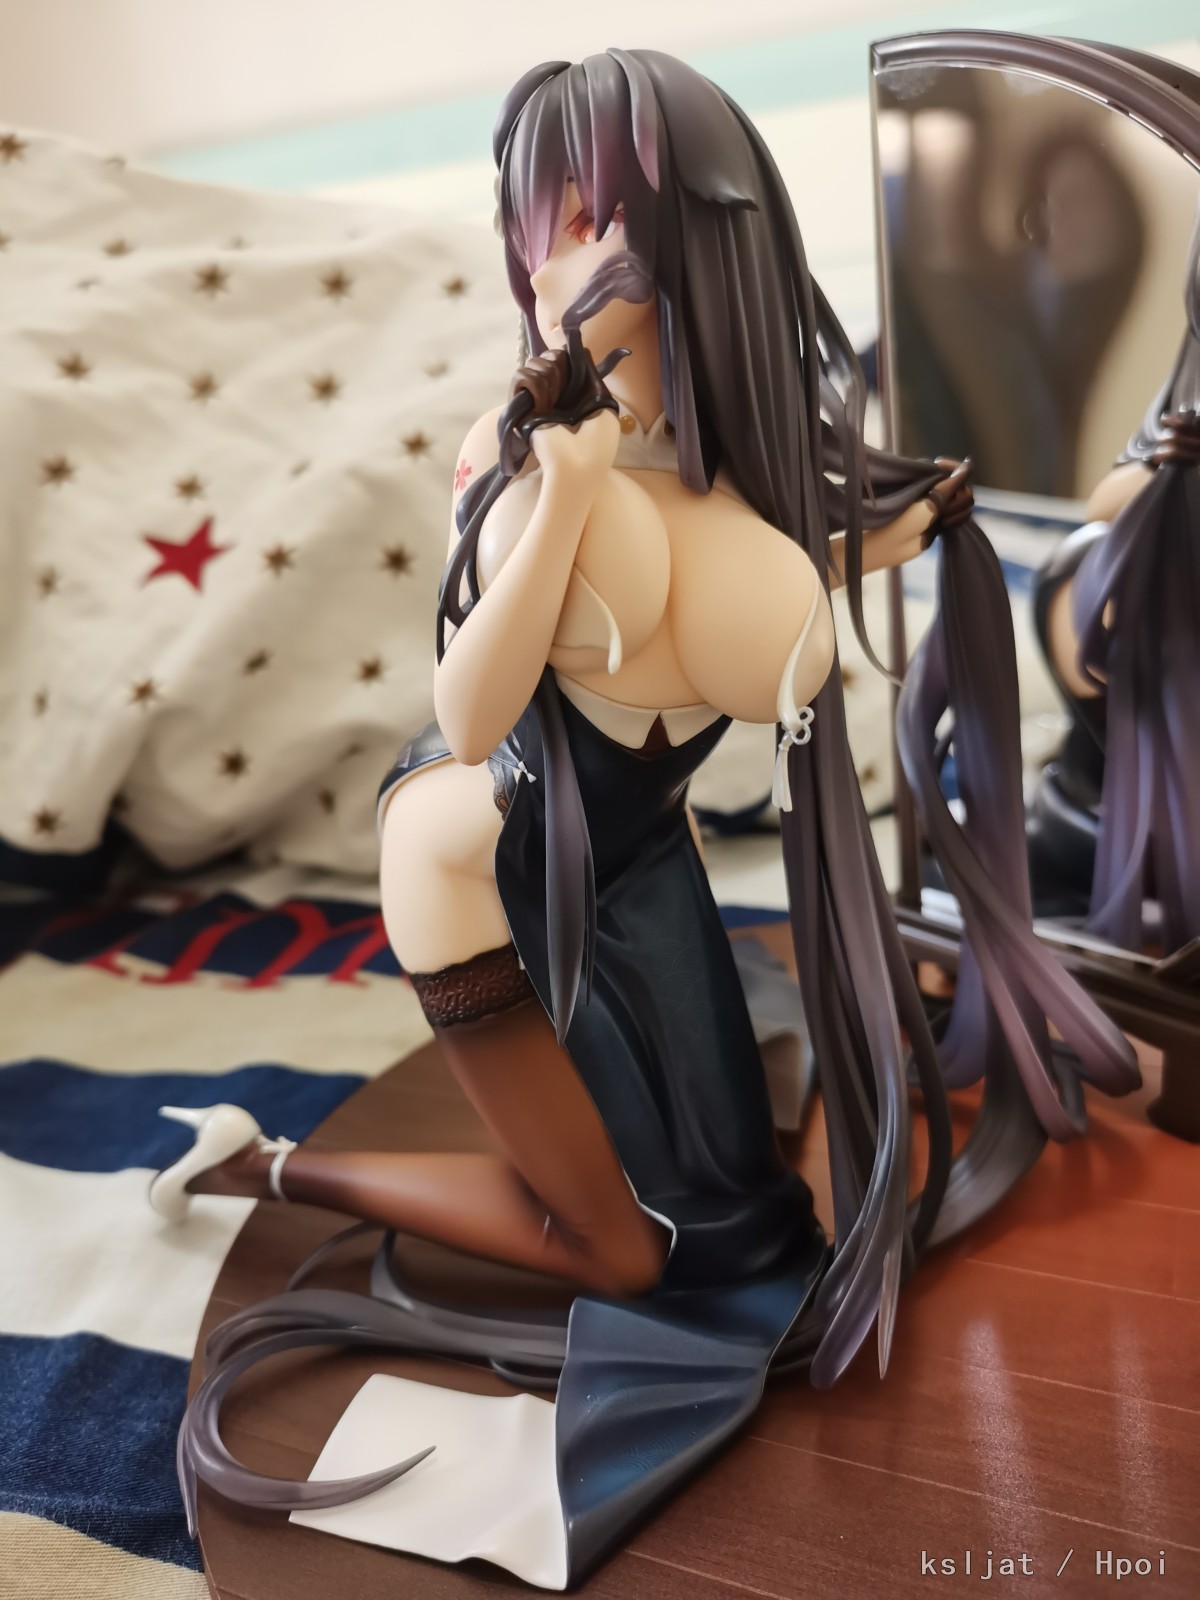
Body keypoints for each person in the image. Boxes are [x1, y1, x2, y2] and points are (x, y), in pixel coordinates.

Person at [157, 50, 1138, 1587]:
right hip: (485, 873)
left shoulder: (747, 463)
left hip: (640, 848)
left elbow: (799, 564)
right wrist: (560, 496)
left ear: (699, 227)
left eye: (591, 215)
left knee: (742, 1226)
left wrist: (927, 520)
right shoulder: (520, 460)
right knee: (626, 1252)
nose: (558, 261)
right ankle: (266, 1165)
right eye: (539, 224)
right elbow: (472, 716)